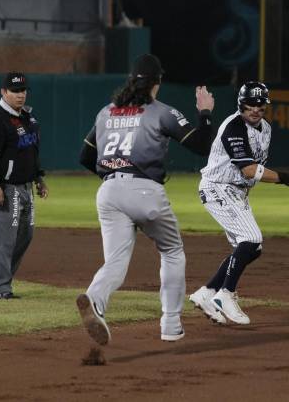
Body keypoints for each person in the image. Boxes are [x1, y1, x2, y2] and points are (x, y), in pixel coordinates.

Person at [77, 54, 215, 345]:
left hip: (109, 192)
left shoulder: (106, 112)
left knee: (115, 262)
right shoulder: (162, 112)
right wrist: (205, 112)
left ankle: (95, 299)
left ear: (131, 80)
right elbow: (202, 145)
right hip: (145, 191)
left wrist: (114, 175)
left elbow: (85, 156)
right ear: (157, 82)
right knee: (172, 251)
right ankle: (171, 324)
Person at [189, 81, 289, 325]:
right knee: (252, 239)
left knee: (252, 248)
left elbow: (252, 171)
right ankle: (226, 294)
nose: (255, 108)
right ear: (240, 104)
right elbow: (249, 170)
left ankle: (207, 292)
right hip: (218, 188)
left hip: (237, 193)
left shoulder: (266, 129)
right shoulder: (234, 127)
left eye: (260, 104)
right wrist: (287, 178)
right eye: (250, 104)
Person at [0, 72, 48, 301]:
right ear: (3, 92)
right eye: (15, 91)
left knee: (25, 236)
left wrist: (38, 178)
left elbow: (31, 151)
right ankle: (0, 290)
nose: (20, 95)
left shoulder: (28, 118)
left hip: (26, 187)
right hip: (6, 188)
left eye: (23, 90)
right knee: (5, 240)